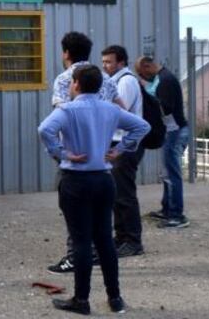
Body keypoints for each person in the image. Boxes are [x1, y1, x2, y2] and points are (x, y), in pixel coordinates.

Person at [39, 64, 149, 315]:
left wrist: (61, 153)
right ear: (100, 85)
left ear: (76, 84)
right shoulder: (110, 109)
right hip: (103, 179)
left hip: (75, 179)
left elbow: (45, 129)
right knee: (105, 240)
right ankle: (115, 298)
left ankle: (81, 299)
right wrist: (119, 150)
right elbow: (142, 126)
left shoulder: (67, 110)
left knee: (81, 240)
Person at [48, 32, 126, 275]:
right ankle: (96, 254)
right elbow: (122, 109)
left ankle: (76, 256)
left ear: (66, 53)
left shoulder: (66, 79)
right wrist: (117, 146)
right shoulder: (104, 78)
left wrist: (60, 151)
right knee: (99, 206)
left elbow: (59, 115)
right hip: (101, 149)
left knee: (73, 205)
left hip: (75, 151)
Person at [101, 45, 145, 257]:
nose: (105, 66)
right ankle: (121, 237)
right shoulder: (114, 81)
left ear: (121, 62)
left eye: (109, 62)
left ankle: (132, 241)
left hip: (125, 145)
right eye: (103, 62)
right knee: (117, 193)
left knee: (124, 194)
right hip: (118, 143)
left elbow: (120, 112)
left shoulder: (125, 81)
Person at [136, 56, 190, 229]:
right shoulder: (163, 78)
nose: (143, 78)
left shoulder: (165, 80)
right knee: (168, 172)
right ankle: (167, 209)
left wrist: (147, 96)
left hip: (175, 130)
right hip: (173, 130)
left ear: (147, 66)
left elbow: (165, 107)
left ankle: (176, 215)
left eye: (142, 74)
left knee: (172, 173)